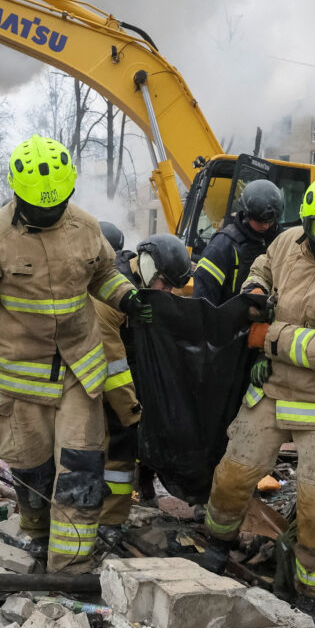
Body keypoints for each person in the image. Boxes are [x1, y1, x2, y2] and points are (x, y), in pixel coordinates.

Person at [0, 135, 150, 573]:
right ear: (18, 195)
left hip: (80, 370)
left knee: (80, 470)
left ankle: (71, 566)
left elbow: (103, 275)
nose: (50, 214)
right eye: (39, 208)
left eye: (57, 206)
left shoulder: (85, 227)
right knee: (32, 471)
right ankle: (36, 534)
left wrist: (127, 297)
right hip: (21, 379)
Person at [204, 170, 315, 619]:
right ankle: (215, 542)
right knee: (232, 475)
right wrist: (255, 287)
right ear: (304, 222)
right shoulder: (287, 242)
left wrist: (268, 335)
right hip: (274, 388)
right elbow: (264, 265)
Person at [93, 229, 191, 534]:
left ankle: (137, 493)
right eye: (166, 285)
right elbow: (113, 366)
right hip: (96, 374)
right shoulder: (110, 297)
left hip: (126, 368)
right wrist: (132, 413)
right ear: (150, 270)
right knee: (119, 443)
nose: (168, 294)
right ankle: (110, 521)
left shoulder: (146, 281)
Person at [193, 179, 283, 305]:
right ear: (247, 214)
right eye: (261, 221)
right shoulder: (221, 247)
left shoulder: (283, 241)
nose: (266, 226)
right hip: (231, 321)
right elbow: (203, 301)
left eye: (270, 221)